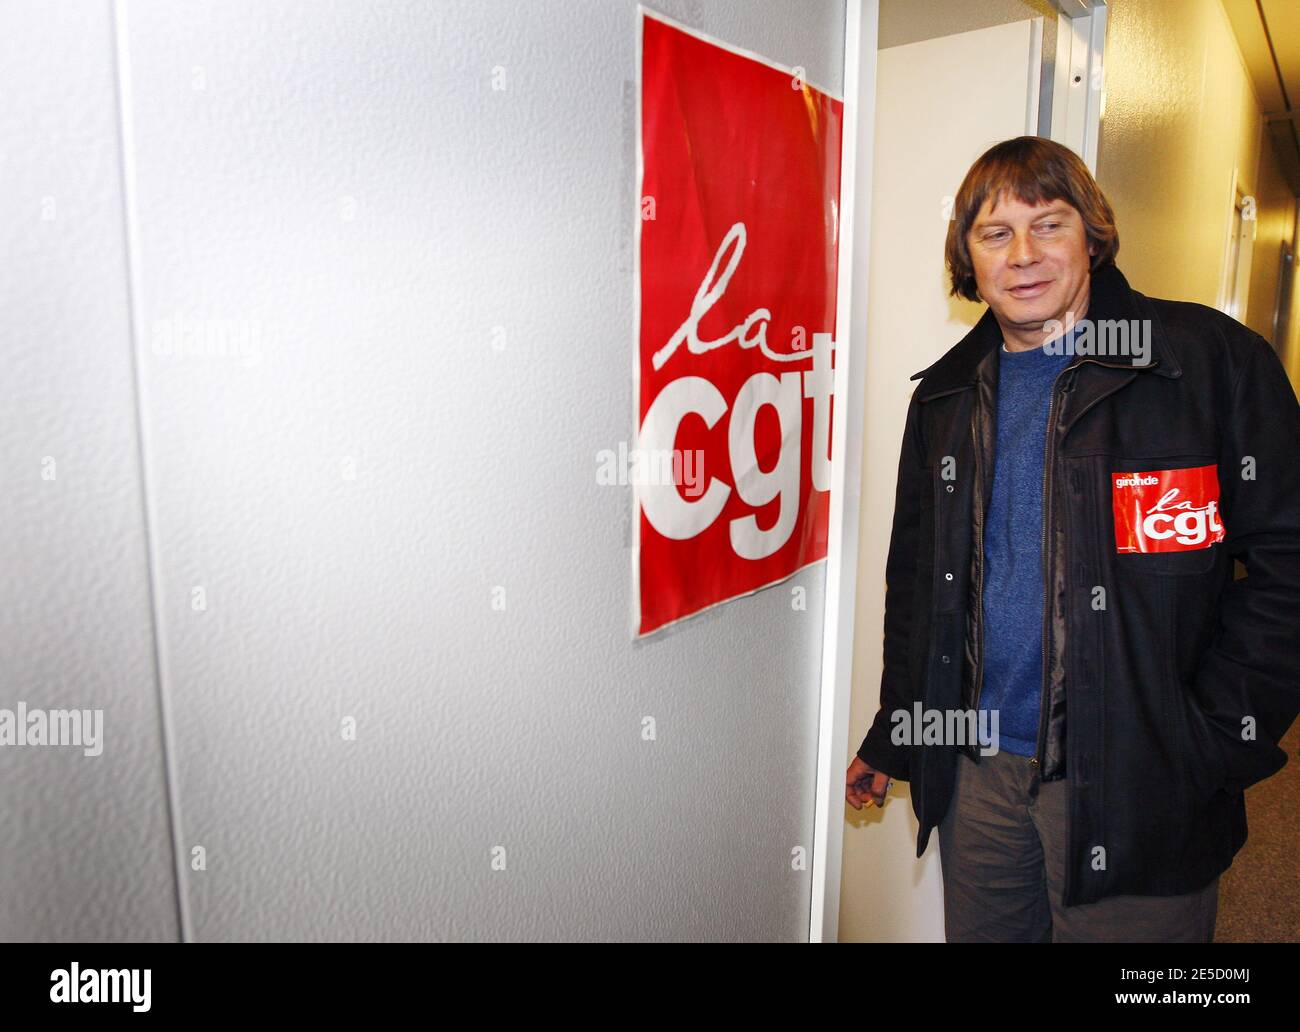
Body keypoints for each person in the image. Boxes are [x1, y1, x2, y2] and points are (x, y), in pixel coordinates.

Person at [844, 135, 1300, 943]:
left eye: (1048, 224)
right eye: (995, 233)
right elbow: (919, 582)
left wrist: (1214, 736)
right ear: (968, 258)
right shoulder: (945, 398)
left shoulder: (1206, 364)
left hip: (1140, 777)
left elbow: (1286, 564)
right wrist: (901, 726)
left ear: (1092, 234)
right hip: (979, 779)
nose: (1023, 255)